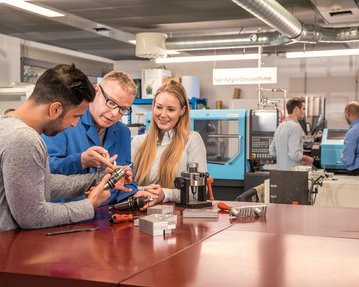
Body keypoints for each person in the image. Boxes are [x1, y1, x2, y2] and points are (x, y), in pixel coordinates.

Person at [0, 64, 133, 231]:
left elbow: (43, 184)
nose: (74, 124)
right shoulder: (24, 139)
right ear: (55, 109)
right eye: (75, 116)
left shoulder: (7, 125)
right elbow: (33, 217)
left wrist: (98, 179)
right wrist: (89, 205)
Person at [42, 71, 139, 204]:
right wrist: (81, 161)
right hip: (67, 212)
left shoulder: (123, 132)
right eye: (111, 102)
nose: (115, 113)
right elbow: (44, 168)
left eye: (123, 109)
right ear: (96, 90)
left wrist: (132, 194)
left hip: (106, 215)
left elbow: (124, 177)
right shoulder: (66, 121)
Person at [131, 80, 207, 203]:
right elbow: (125, 187)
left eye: (171, 109)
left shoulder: (192, 140)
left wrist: (166, 194)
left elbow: (198, 192)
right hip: (141, 215)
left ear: (182, 111)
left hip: (178, 217)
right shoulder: (138, 142)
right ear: (153, 106)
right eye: (159, 107)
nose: (163, 114)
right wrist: (146, 191)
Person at [269, 97, 314, 170]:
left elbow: (272, 152)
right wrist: (307, 158)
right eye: (303, 109)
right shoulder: (295, 127)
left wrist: (284, 158)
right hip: (293, 174)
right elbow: (294, 155)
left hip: (280, 173)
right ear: (296, 109)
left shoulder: (280, 126)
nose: (304, 112)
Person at [341, 101, 359, 175]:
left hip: (356, 171)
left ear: (347, 113)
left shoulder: (353, 132)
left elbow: (348, 160)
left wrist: (342, 157)